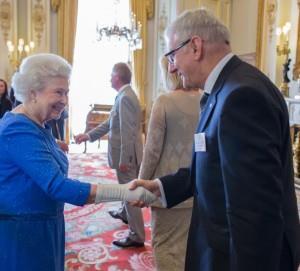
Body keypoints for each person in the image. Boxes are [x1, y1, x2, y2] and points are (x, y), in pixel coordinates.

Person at [131, 8, 300, 271]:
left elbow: (255, 212)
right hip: (220, 246)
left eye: (172, 55)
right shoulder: (223, 89)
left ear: (196, 46)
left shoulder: (241, 96)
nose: (172, 67)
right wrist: (161, 186)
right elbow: (212, 165)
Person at [0, 53, 156, 271]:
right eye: (58, 92)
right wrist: (124, 192)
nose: (64, 100)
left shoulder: (36, 124)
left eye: (67, 92)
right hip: (24, 235)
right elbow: (58, 186)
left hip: (45, 226)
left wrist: (55, 143)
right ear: (33, 92)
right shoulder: (18, 130)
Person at [138, 56, 201, 271]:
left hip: (165, 189)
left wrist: (141, 183)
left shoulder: (164, 101)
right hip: (195, 186)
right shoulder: (205, 99)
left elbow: (152, 150)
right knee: (188, 248)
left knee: (164, 246)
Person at [74, 62, 145, 248]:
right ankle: (124, 212)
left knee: (130, 193)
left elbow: (128, 132)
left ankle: (137, 235)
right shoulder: (122, 96)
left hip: (127, 156)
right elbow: (109, 124)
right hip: (125, 154)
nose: (109, 78)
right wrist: (88, 135)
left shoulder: (126, 97)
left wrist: (125, 159)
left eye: (111, 75)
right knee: (126, 188)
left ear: (117, 77)